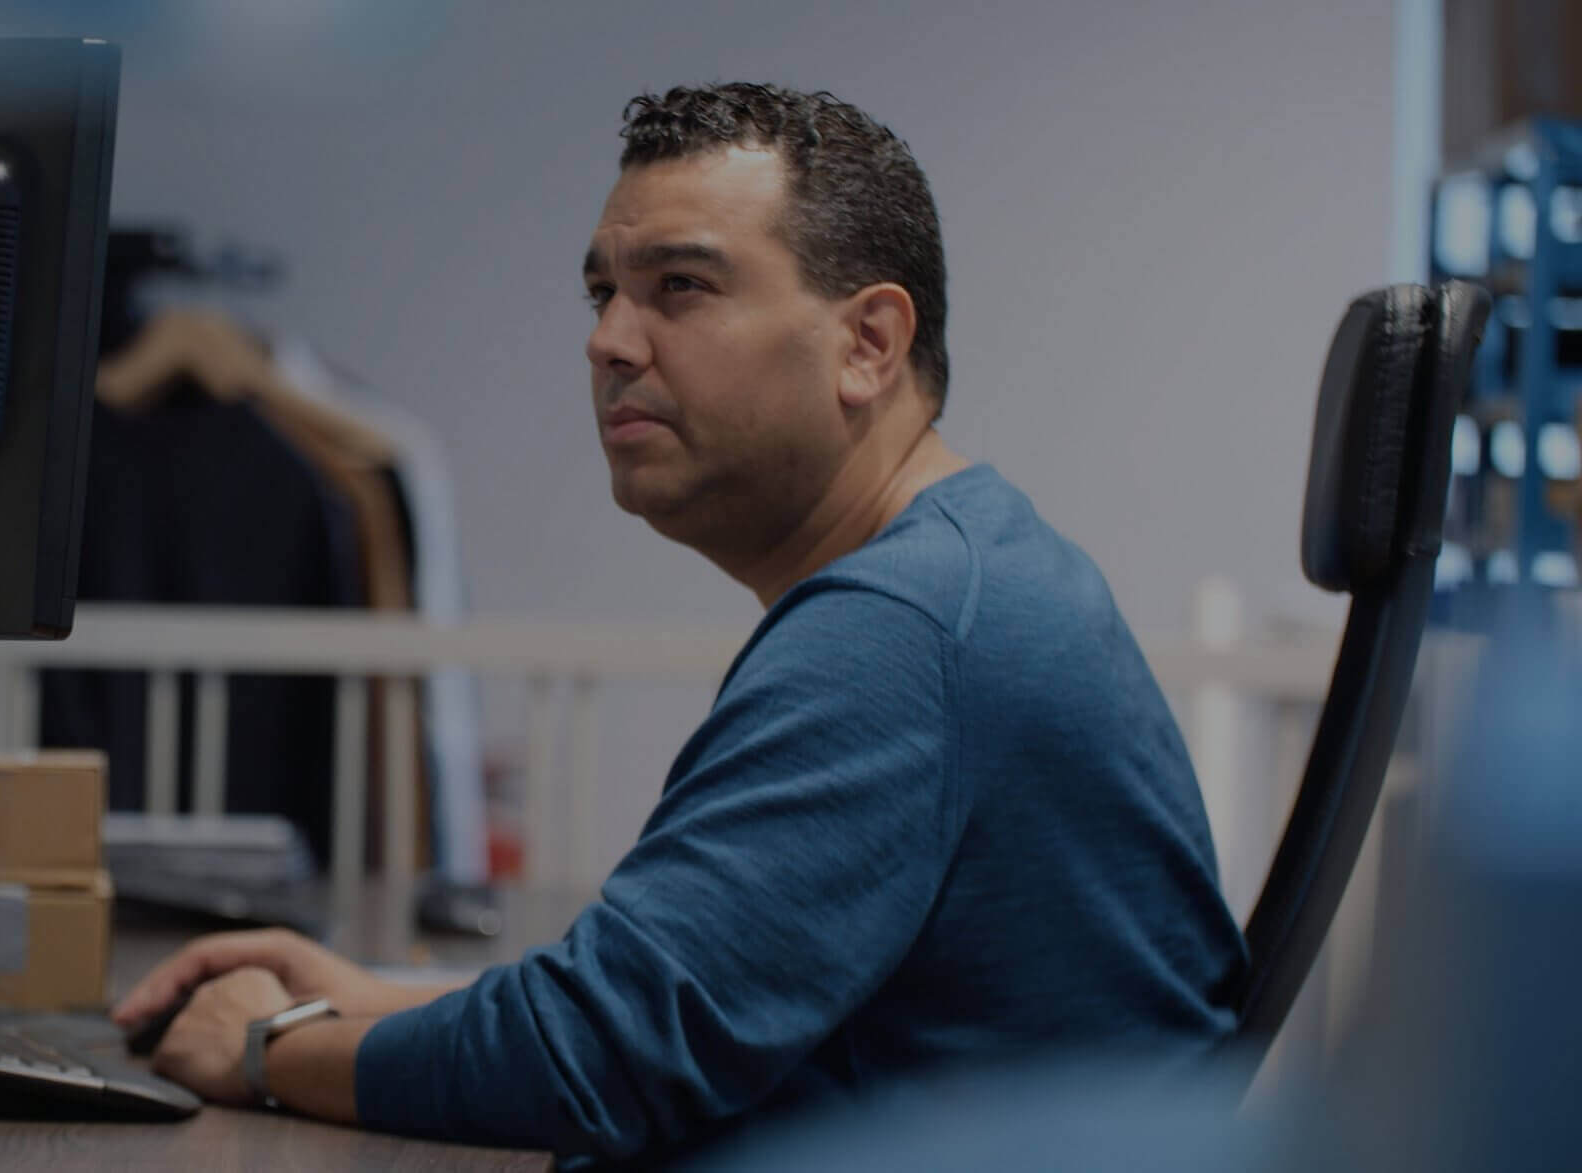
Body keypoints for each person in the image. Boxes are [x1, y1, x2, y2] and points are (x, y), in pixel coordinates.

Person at [113, 82, 1247, 1164]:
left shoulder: (900, 630)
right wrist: (375, 1005)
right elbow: (667, 997)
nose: (610, 340)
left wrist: (272, 1049)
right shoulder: (959, 569)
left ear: (870, 344)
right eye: (602, 291)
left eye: (681, 288)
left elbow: (600, 1057)